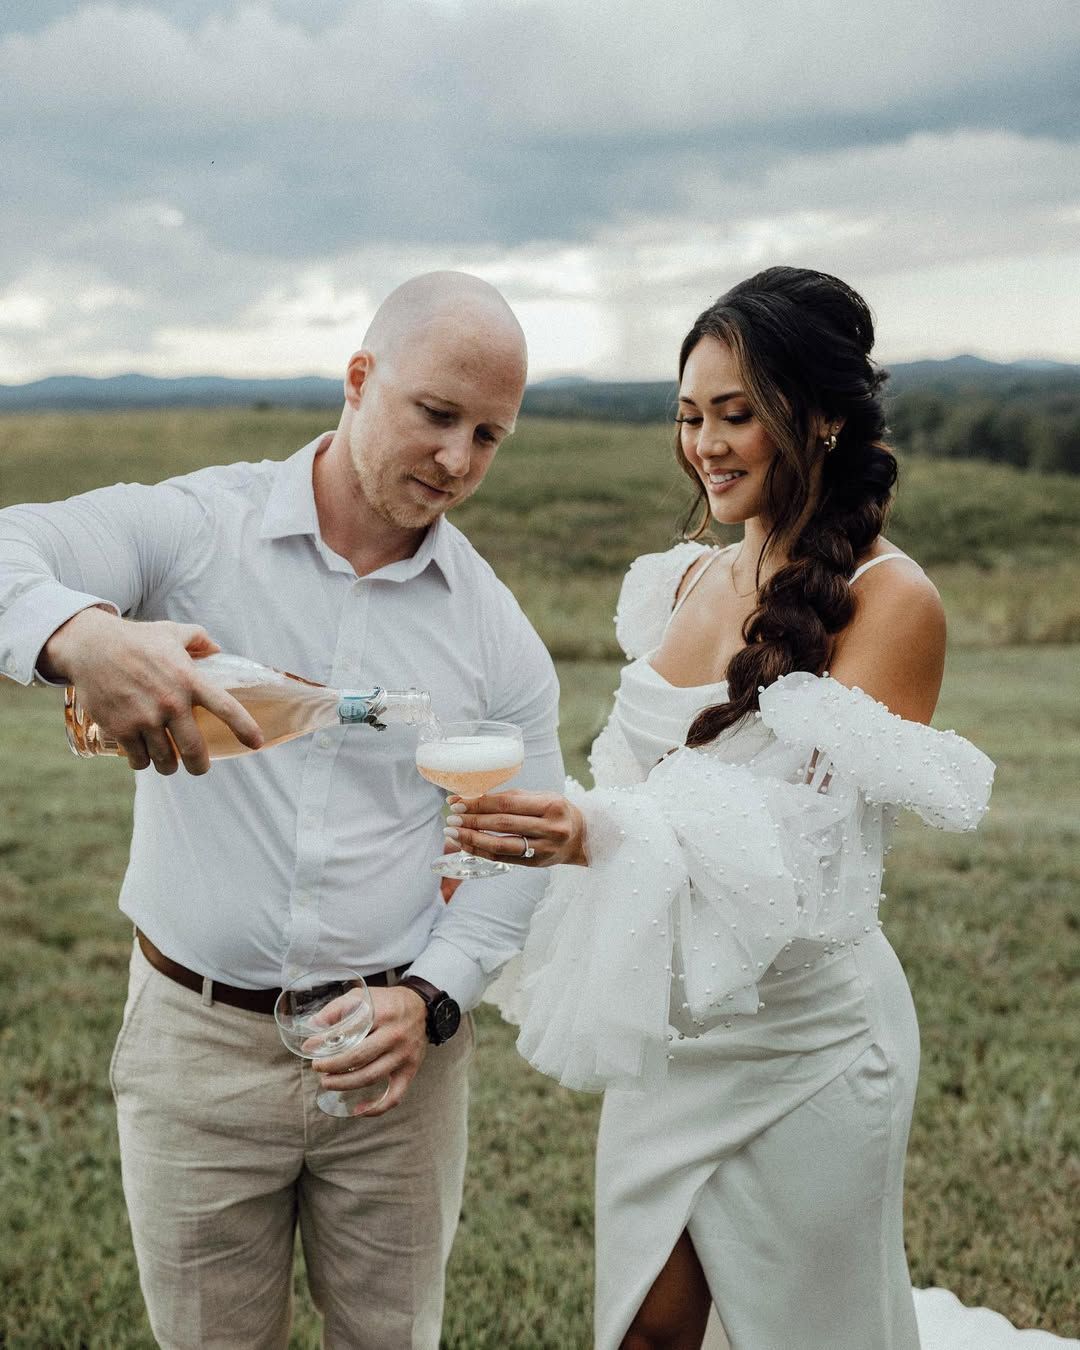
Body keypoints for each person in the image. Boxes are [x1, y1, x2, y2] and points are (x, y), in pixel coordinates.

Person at [449, 268, 1073, 1349]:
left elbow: (797, 852)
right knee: (646, 1328)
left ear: (823, 416)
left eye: (738, 414)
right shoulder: (679, 585)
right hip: (678, 1023)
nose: (707, 444)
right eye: (690, 417)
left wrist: (594, 829)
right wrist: (530, 841)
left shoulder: (892, 602)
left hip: (806, 1041)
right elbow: (635, 801)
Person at [0, 271, 564, 1349]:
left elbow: (522, 853)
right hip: (194, 1048)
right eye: (436, 414)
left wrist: (434, 1000)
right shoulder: (191, 530)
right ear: (359, 379)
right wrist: (86, 636)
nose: (458, 461)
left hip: (398, 1068)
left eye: (489, 435)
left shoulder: (495, 636)